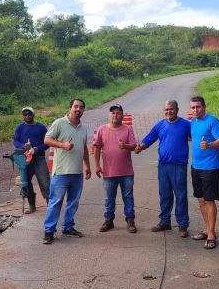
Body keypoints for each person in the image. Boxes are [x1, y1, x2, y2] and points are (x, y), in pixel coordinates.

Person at [135, 100, 191, 237]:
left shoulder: (186, 125)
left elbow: (198, 137)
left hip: (179, 166)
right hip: (163, 166)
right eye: (166, 109)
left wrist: (214, 149)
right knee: (164, 194)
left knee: (181, 195)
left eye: (171, 109)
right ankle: (165, 221)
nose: (169, 112)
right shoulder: (160, 125)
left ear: (177, 109)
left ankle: (183, 224)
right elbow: (149, 138)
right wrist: (140, 147)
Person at [42, 99, 92, 244]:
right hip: (61, 172)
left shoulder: (83, 128)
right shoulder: (59, 123)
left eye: (81, 107)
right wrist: (62, 145)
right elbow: (47, 140)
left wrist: (87, 166)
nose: (78, 109)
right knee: (55, 202)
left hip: (77, 172)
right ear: (70, 108)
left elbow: (85, 149)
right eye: (76, 106)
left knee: (73, 202)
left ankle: (67, 227)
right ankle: (49, 231)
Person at [94, 104, 138, 233]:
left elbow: (134, 146)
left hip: (126, 172)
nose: (115, 115)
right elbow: (96, 148)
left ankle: (130, 220)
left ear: (122, 115)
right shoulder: (102, 129)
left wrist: (125, 146)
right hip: (109, 172)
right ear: (109, 115)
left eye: (118, 113)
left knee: (128, 197)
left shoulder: (128, 129)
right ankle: (109, 220)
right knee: (109, 198)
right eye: (113, 113)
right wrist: (97, 165)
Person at [189, 96, 219, 250]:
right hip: (196, 166)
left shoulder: (212, 121)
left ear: (204, 107)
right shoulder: (193, 122)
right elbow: (194, 138)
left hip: (210, 167)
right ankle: (207, 229)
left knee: (209, 201)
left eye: (198, 107)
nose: (195, 110)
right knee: (201, 200)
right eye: (193, 107)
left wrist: (210, 145)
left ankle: (211, 234)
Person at [12, 106, 50, 213]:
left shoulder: (41, 127)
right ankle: (32, 206)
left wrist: (37, 149)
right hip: (25, 159)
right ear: (23, 116)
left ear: (33, 114)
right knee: (26, 182)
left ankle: (50, 206)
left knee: (45, 181)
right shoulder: (19, 127)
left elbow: (47, 143)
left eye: (29, 114)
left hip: (39, 158)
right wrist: (24, 146)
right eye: (25, 114)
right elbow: (15, 141)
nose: (27, 116)